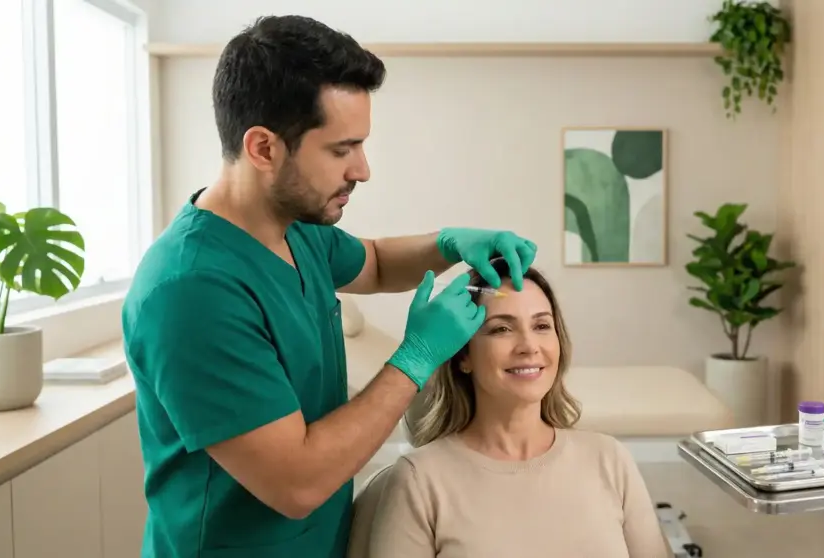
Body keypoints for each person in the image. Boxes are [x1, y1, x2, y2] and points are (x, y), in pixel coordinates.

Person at [120, 15, 538, 558]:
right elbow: (298, 482)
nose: (362, 169)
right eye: (343, 149)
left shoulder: (295, 228)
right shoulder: (191, 292)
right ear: (263, 148)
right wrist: (416, 357)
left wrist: (450, 244)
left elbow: (377, 263)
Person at [360, 258, 673, 558]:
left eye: (542, 325)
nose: (529, 346)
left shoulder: (610, 460)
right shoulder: (420, 480)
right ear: (464, 356)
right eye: (501, 329)